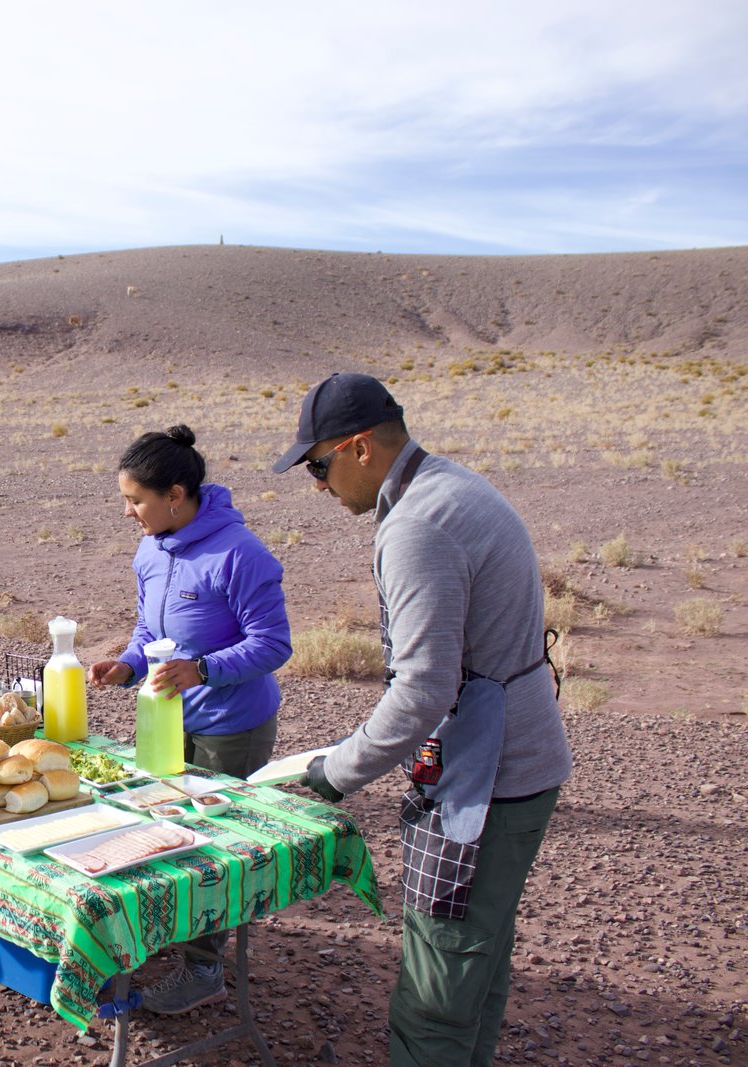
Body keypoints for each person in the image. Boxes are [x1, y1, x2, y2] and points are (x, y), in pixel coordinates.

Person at [272, 372, 571, 1066]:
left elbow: (423, 690)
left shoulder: (416, 526)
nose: (318, 486)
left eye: (318, 466)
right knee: (477, 968)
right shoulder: (451, 486)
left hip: (486, 783)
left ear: (360, 449)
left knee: (434, 999)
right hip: (514, 765)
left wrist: (333, 772)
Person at [86, 424, 291, 1015]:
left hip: (232, 728)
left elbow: (273, 644)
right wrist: (126, 665)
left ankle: (203, 969)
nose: (129, 512)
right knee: (160, 836)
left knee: (212, 851)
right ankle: (168, 943)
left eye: (137, 500)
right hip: (166, 722)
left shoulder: (241, 554)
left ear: (175, 495)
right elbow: (150, 631)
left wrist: (201, 668)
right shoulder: (151, 549)